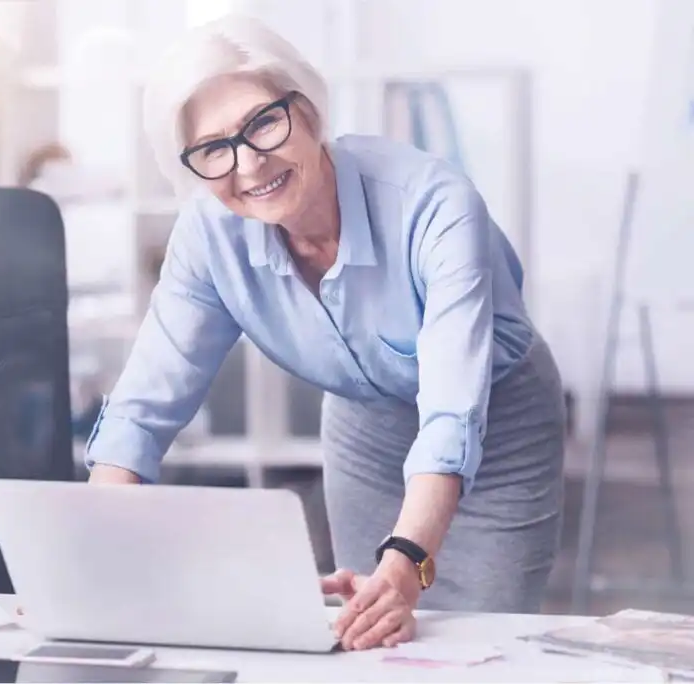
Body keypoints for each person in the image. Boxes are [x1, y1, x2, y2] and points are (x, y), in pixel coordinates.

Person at [84, 15, 566, 651]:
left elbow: (452, 415)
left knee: (480, 648)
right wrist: (87, 555)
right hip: (366, 427)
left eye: (262, 123)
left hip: (499, 423)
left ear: (306, 109)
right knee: (369, 638)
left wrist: (406, 565)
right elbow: (141, 415)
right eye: (212, 150)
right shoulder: (210, 237)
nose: (249, 164)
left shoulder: (433, 204)